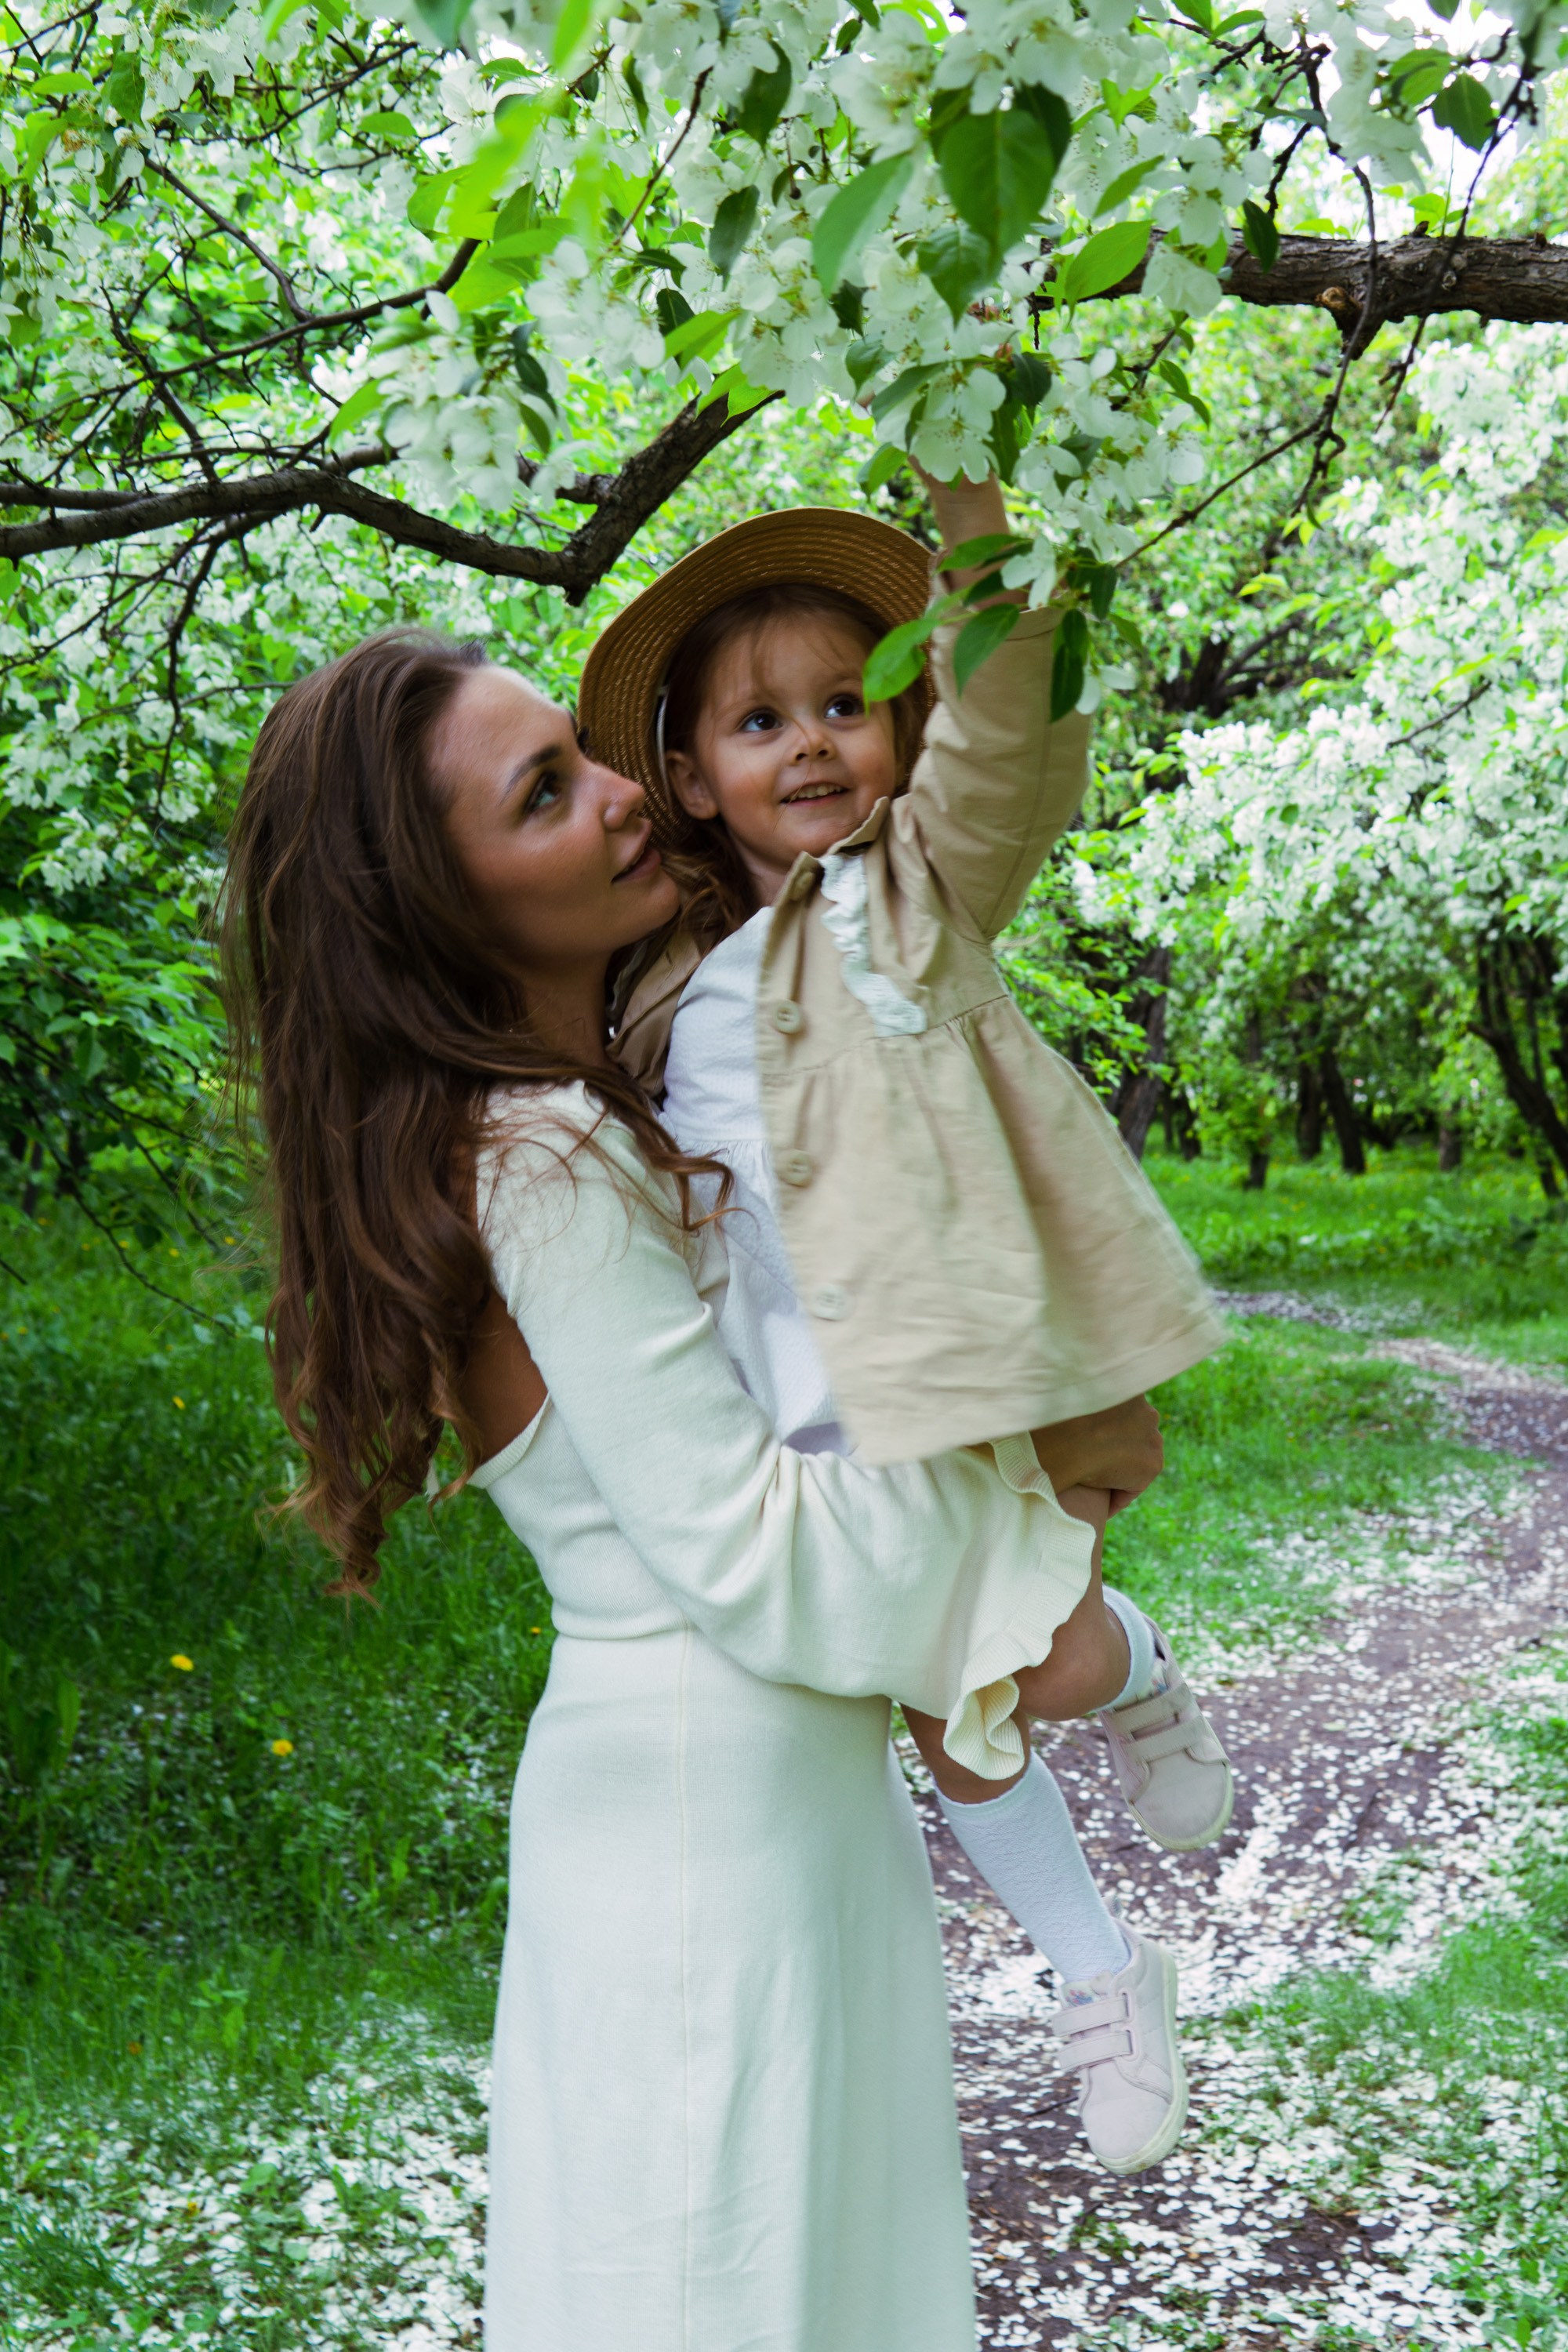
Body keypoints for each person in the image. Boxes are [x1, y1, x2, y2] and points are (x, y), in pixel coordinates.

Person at [223, 627, 1184, 2352]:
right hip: (700, 1841)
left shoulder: (610, 1099)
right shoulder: (537, 1160)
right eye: (542, 795)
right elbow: (753, 1546)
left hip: (777, 1808)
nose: (616, 793)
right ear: (436, 911)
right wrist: (1028, 1521)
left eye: (579, 756)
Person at [575, 475, 1234, 2099]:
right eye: (756, 723)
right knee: (949, 1702)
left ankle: (1127, 1738)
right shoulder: (653, 980)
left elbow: (1013, 746)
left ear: (901, 727)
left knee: (1028, 1677)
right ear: (687, 778)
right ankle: (1104, 1921)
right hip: (802, 1421)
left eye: (842, 707)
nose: (807, 745)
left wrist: (978, 526)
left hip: (953, 1386)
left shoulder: (909, 901)